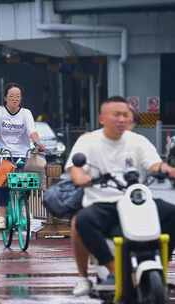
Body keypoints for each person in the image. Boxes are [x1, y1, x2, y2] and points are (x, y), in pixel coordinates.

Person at [67, 96, 175, 296]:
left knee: (172, 213)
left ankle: (161, 263)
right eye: (116, 115)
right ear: (102, 118)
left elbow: (153, 164)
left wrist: (166, 169)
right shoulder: (88, 141)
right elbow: (76, 171)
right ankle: (113, 269)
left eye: (125, 115)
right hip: (103, 203)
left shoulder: (138, 141)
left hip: (136, 203)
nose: (122, 119)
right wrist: (82, 178)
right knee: (82, 220)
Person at [0, 83, 45, 230]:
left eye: (18, 96)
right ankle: (1, 216)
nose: (15, 99)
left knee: (28, 177)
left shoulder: (26, 113)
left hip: (21, 154)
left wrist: (38, 143)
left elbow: (32, 132)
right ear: (6, 97)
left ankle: (23, 205)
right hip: (2, 154)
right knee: (3, 176)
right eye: (12, 96)